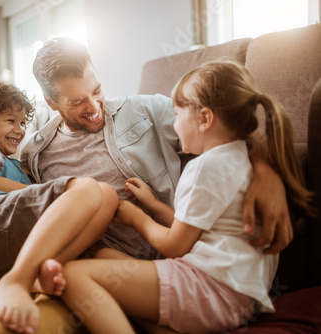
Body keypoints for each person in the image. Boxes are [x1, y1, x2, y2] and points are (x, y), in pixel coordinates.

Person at [0, 38, 292, 334]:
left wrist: (267, 169)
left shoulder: (148, 110)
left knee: (20, 326)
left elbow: (232, 122)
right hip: (53, 253)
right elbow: (10, 202)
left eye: (97, 91)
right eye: (77, 101)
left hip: (127, 273)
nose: (94, 108)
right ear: (49, 101)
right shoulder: (33, 148)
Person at [58, 61, 314, 334]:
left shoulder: (205, 166)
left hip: (210, 290)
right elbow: (192, 227)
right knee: (106, 257)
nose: (175, 124)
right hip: (242, 298)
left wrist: (136, 219)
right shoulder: (241, 156)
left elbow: (176, 245)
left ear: (204, 119)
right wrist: (154, 206)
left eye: (177, 114)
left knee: (72, 275)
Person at [0, 78, 119, 333]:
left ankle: (36, 277)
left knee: (106, 196)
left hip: (10, 238)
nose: (19, 130)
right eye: (10, 121)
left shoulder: (19, 166)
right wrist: (49, 194)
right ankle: (18, 282)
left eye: (22, 123)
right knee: (84, 189)